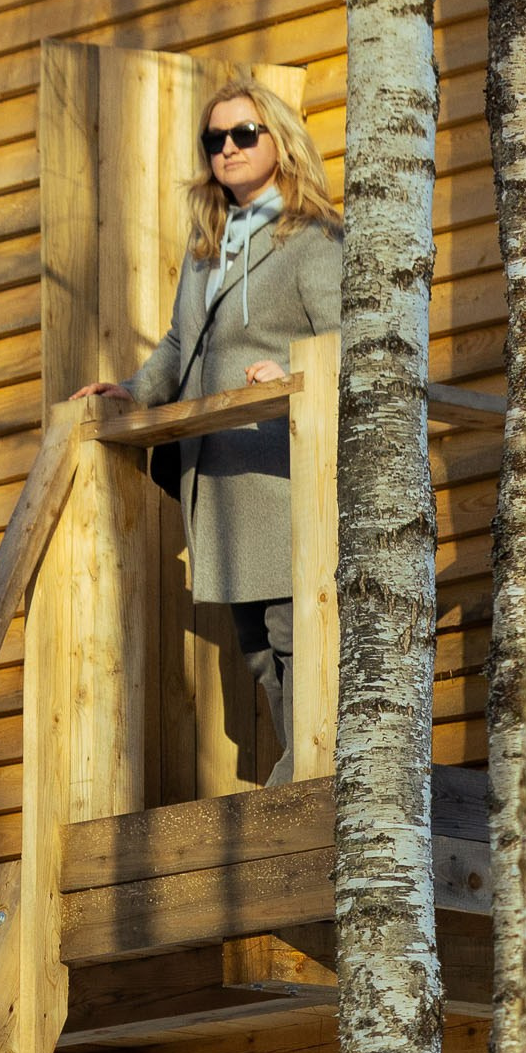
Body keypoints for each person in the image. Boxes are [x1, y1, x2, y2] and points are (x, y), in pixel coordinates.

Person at [83, 73, 343, 778]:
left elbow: (353, 338)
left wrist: (293, 370)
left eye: (242, 134)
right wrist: (132, 393)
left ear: (279, 142)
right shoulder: (208, 247)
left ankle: (314, 785)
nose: (225, 148)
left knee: (299, 636)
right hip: (221, 483)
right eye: (213, 138)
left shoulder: (314, 240)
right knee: (259, 650)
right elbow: (178, 346)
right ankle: (307, 778)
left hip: (285, 475)